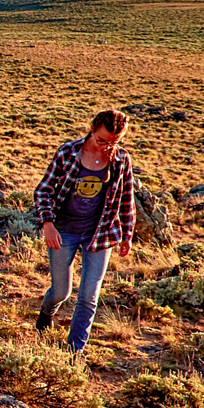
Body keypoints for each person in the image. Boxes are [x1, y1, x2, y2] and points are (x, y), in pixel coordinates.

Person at [31, 108, 137, 353]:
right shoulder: (68, 152)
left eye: (114, 142)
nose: (106, 146)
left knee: (89, 296)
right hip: (63, 231)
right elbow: (43, 190)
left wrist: (127, 234)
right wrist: (47, 224)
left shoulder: (121, 160)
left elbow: (126, 198)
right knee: (61, 292)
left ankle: (74, 352)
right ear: (92, 130)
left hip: (99, 235)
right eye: (101, 140)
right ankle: (46, 314)